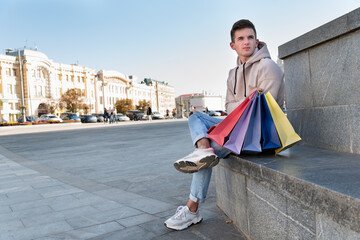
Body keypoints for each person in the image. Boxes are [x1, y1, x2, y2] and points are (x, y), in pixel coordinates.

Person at [164, 19, 285, 230]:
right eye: (241, 39)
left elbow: (265, 109)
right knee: (196, 117)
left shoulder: (268, 67)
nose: (246, 42)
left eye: (250, 37)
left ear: (256, 40)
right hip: (236, 129)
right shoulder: (232, 74)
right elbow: (229, 108)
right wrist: (247, 101)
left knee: (211, 148)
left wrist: (243, 106)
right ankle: (202, 149)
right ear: (233, 45)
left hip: (261, 136)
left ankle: (192, 209)